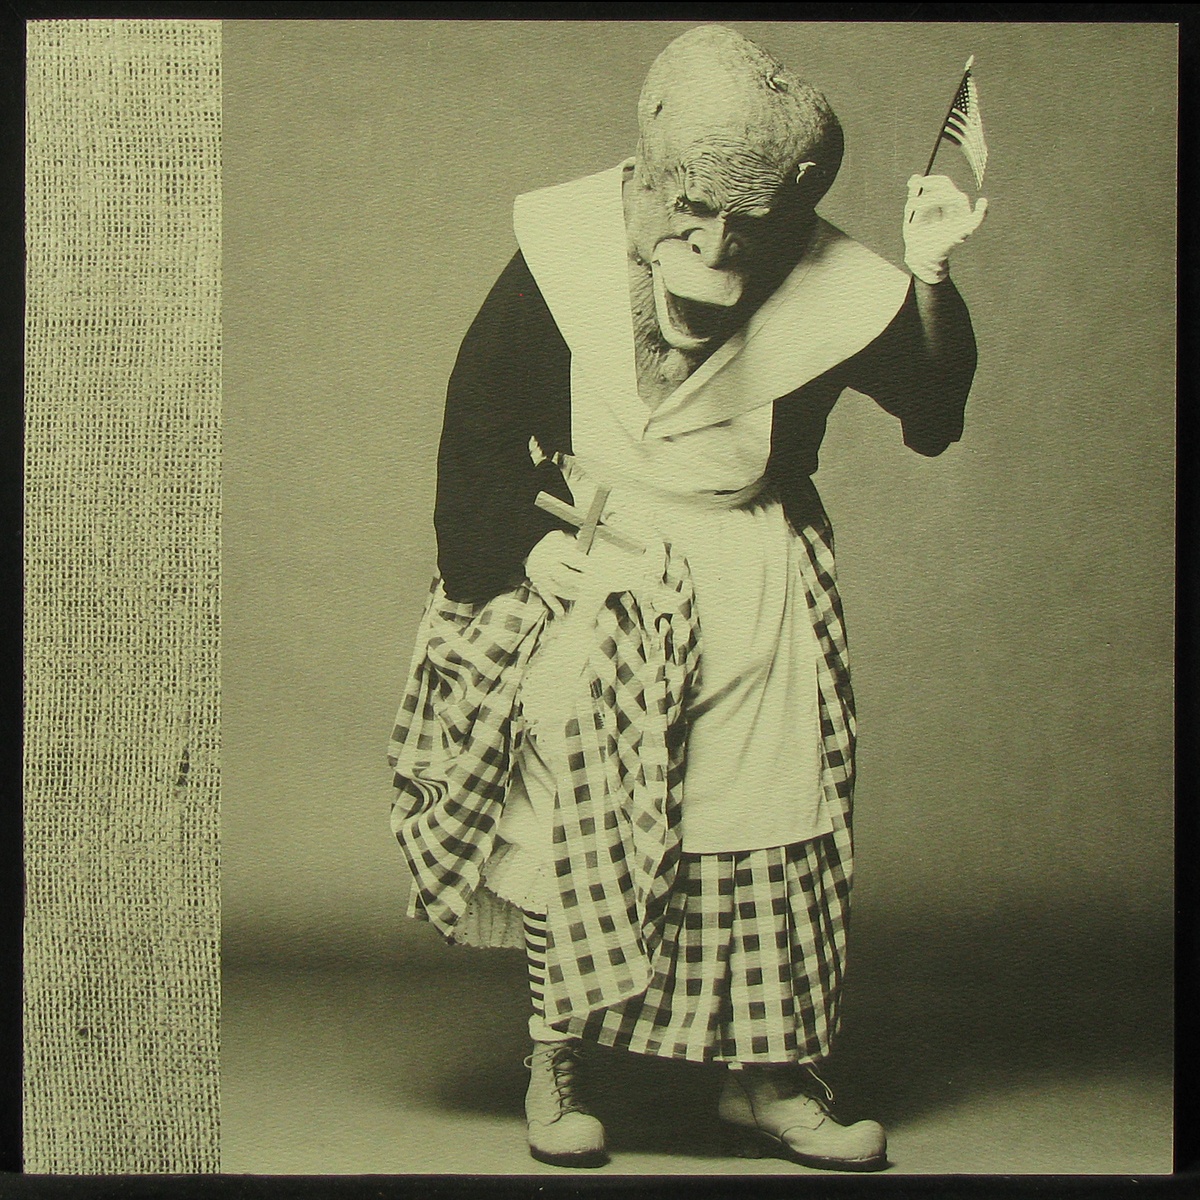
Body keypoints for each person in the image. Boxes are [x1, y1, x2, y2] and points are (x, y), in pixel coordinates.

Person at [388, 24, 985, 1172]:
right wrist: (523, 548)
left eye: (747, 226)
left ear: (791, 213)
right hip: (597, 560)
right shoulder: (564, 245)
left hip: (750, 572)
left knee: (766, 810)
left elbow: (932, 409)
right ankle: (554, 1056)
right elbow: (477, 420)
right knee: (571, 810)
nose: (715, 249)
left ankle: (768, 1078)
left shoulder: (830, 284)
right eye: (692, 212)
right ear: (653, 171)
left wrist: (931, 275)